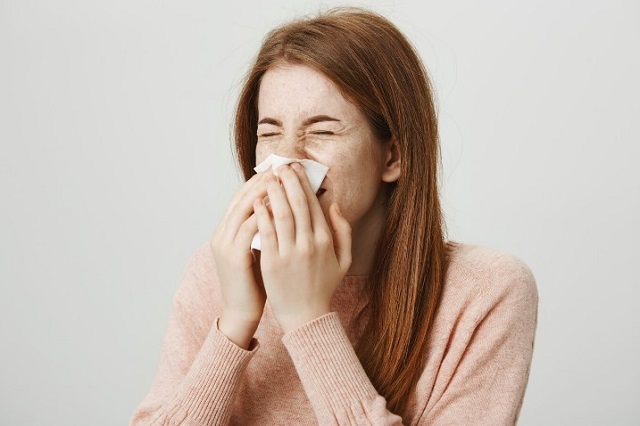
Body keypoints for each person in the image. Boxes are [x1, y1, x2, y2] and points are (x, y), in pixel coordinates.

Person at [130, 7, 538, 426]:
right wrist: (233, 323)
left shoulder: (484, 292)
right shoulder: (219, 271)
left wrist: (306, 318)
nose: (287, 159)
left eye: (322, 130)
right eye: (269, 132)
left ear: (393, 156)